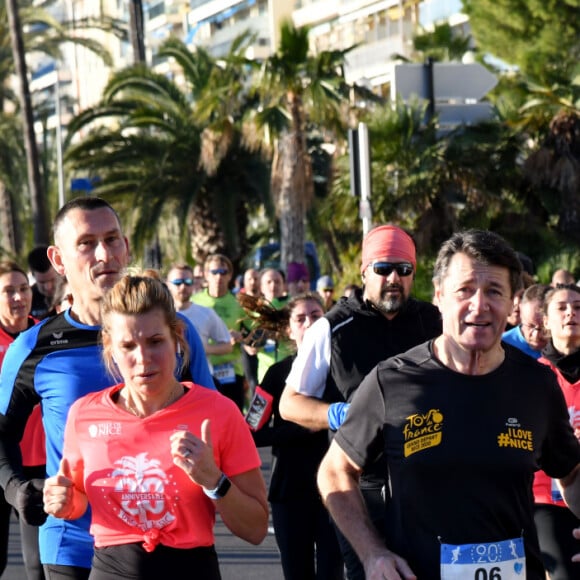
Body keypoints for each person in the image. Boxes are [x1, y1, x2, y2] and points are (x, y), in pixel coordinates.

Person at [317, 229, 580, 579]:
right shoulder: (391, 381)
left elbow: (572, 472)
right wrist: (372, 553)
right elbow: (335, 471)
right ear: (439, 296)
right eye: (465, 290)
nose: (479, 305)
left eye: (494, 292)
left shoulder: (536, 384)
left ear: (512, 304)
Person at [0, 196, 215, 580]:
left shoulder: (175, 333)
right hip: (74, 546)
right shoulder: (33, 348)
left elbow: (214, 422)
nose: (105, 253)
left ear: (126, 245)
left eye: (113, 239)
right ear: (58, 259)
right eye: (86, 243)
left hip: (171, 541)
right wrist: (17, 489)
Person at [42, 275, 268, 580]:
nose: (143, 359)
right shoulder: (84, 414)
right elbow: (77, 498)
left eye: (155, 341)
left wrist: (213, 480)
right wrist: (64, 502)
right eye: (128, 346)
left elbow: (255, 528)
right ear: (109, 346)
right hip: (111, 568)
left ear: (176, 337)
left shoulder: (218, 413)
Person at [280, 224, 442, 580]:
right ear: (365, 271)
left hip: (429, 482)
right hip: (362, 485)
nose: (393, 278)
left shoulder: (433, 322)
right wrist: (336, 415)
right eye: (383, 268)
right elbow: (289, 404)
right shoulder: (332, 328)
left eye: (404, 269)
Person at [244, 291, 344, 579]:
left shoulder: (341, 371)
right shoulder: (276, 374)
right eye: (301, 319)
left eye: (316, 316)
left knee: (331, 573)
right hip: (289, 491)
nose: (310, 323)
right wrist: (304, 426)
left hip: (335, 491)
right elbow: (252, 433)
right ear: (289, 328)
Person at [0, 260, 45, 580]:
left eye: (23, 289)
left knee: (39, 565)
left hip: (41, 465)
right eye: (8, 291)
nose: (18, 297)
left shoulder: (48, 336)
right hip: (2, 464)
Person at [533, 283, 580, 578]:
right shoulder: (530, 376)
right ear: (546, 320)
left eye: (578, 307)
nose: (571, 313)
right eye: (561, 307)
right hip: (546, 499)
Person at [192, 253, 247, 411]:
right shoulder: (195, 302)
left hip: (232, 370)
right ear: (205, 275)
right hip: (203, 371)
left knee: (233, 419)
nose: (218, 277)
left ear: (230, 275)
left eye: (223, 272)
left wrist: (242, 336)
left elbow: (253, 335)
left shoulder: (238, 303)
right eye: (214, 272)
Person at [166, 263, 233, 371]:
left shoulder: (206, 313)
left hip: (201, 379)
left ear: (193, 284)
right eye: (178, 283)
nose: (183, 287)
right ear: (168, 285)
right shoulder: (161, 316)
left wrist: (203, 348)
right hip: (171, 379)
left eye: (188, 282)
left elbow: (227, 346)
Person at [502, 283, 550, 359]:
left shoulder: (565, 348)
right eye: (530, 326)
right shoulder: (502, 345)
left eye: (544, 327)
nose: (536, 335)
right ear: (521, 312)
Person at [27, 246, 60, 320]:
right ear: (32, 275)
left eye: (52, 280)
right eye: (42, 282)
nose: (48, 287)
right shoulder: (28, 299)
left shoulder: (71, 293)